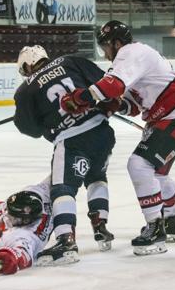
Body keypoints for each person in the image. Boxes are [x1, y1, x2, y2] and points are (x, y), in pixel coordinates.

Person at [60, 21, 175, 256]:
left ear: (116, 43)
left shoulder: (131, 52)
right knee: (157, 173)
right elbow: (134, 105)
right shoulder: (134, 58)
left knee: (139, 164)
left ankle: (155, 228)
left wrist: (82, 97)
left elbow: (112, 85)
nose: (105, 53)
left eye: (106, 47)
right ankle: (171, 221)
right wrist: (112, 105)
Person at [13, 45, 116, 266]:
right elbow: (105, 84)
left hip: (72, 141)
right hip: (102, 133)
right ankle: (101, 227)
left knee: (62, 189)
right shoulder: (71, 61)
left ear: (28, 66)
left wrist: (46, 120)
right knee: (97, 177)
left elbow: (29, 129)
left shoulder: (25, 90)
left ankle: (65, 241)